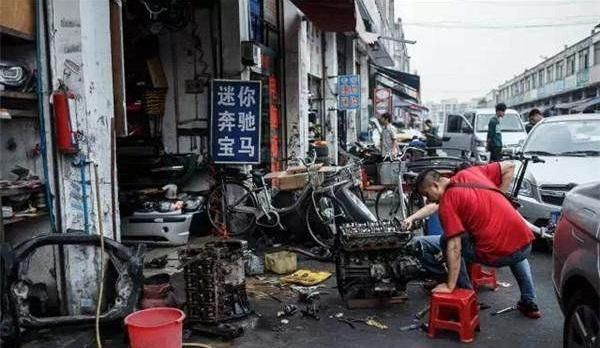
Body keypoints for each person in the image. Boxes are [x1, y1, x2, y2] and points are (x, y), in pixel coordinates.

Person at [404, 161, 541, 319]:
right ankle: (529, 301)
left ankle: (467, 295)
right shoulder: (471, 173)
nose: (428, 200)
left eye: (427, 195)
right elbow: (509, 166)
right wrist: (499, 197)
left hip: (498, 255)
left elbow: (454, 247)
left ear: (435, 185)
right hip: (525, 246)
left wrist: (450, 285)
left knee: (446, 241)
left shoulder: (448, 202)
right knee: (511, 242)